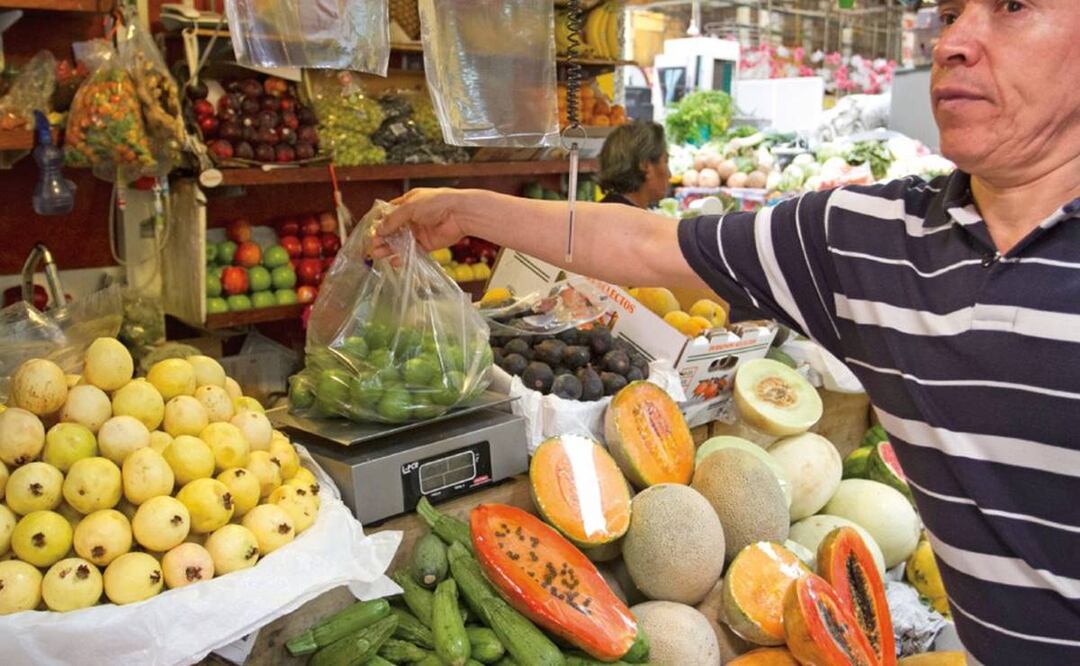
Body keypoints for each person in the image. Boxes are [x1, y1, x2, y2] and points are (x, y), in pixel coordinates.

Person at [376, 2, 1080, 662]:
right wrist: (465, 207)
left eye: (1014, 5)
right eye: (950, 11)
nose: (952, 42)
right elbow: (648, 247)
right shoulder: (866, 240)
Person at [595, 120, 671, 208]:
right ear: (645, 166)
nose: (669, 174)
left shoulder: (597, 212)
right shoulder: (636, 219)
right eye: (665, 161)